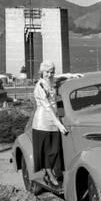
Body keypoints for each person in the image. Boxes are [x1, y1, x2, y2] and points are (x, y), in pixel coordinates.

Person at [32, 60, 68, 188]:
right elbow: (47, 107)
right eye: (47, 72)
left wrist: (74, 76)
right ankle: (50, 175)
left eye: (52, 72)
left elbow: (62, 77)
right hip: (43, 122)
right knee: (48, 150)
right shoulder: (40, 87)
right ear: (42, 72)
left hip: (54, 119)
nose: (49, 74)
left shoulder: (51, 82)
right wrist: (59, 125)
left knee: (55, 149)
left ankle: (53, 172)